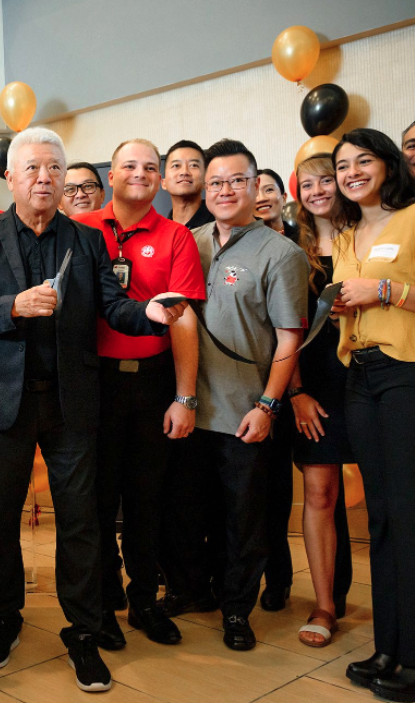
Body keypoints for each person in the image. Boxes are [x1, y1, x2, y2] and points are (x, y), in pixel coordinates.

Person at [0, 126, 187, 692]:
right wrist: (14, 306)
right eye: (32, 169)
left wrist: (149, 315)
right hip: (1, 399)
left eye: (54, 169)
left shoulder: (86, 240)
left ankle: (83, 630)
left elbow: (113, 306)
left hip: (72, 400)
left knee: (80, 522)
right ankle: (3, 619)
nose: (44, 179)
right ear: (9, 177)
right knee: (0, 519)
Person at [159, 139, 308, 651]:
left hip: (244, 410)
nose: (224, 190)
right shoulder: (188, 240)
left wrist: (269, 405)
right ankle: (191, 590)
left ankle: (237, 609)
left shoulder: (281, 254)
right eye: (216, 181)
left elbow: (289, 337)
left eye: (236, 181)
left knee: (243, 520)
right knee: (185, 511)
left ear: (255, 186)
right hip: (188, 406)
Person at [72, 139, 205, 650]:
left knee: (148, 500)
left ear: (162, 180)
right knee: (98, 500)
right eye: (130, 165)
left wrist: (185, 396)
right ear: (112, 175)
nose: (141, 174)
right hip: (95, 382)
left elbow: (184, 318)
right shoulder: (81, 231)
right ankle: (104, 604)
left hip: (152, 382)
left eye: (152, 167)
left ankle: (145, 599)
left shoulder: (175, 237)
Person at [329, 128, 415, 701]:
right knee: (379, 517)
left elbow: (386, 291)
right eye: (342, 166)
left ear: (388, 163)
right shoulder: (346, 233)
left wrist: (384, 289)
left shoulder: (412, 218)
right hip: (358, 375)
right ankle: (389, 646)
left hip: (404, 369)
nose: (352, 172)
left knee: (408, 517)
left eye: (364, 160)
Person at [286, 153, 355, 647]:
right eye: (306, 184)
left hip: (376, 381)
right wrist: (296, 394)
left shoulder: (369, 236)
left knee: (393, 500)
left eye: (325, 180)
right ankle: (326, 604)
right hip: (316, 389)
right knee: (319, 496)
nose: (317, 191)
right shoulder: (292, 252)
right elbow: (282, 331)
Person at [253, 167, 299, 614]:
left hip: (285, 385)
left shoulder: (294, 247)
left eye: (270, 189)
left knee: (275, 490)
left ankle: (278, 576)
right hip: (239, 388)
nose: (262, 196)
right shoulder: (223, 243)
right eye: (258, 189)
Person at [162, 140, 214, 229]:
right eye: (176, 165)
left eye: (193, 165)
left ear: (206, 181)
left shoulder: (221, 224)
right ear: (164, 183)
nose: (184, 172)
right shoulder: (160, 230)